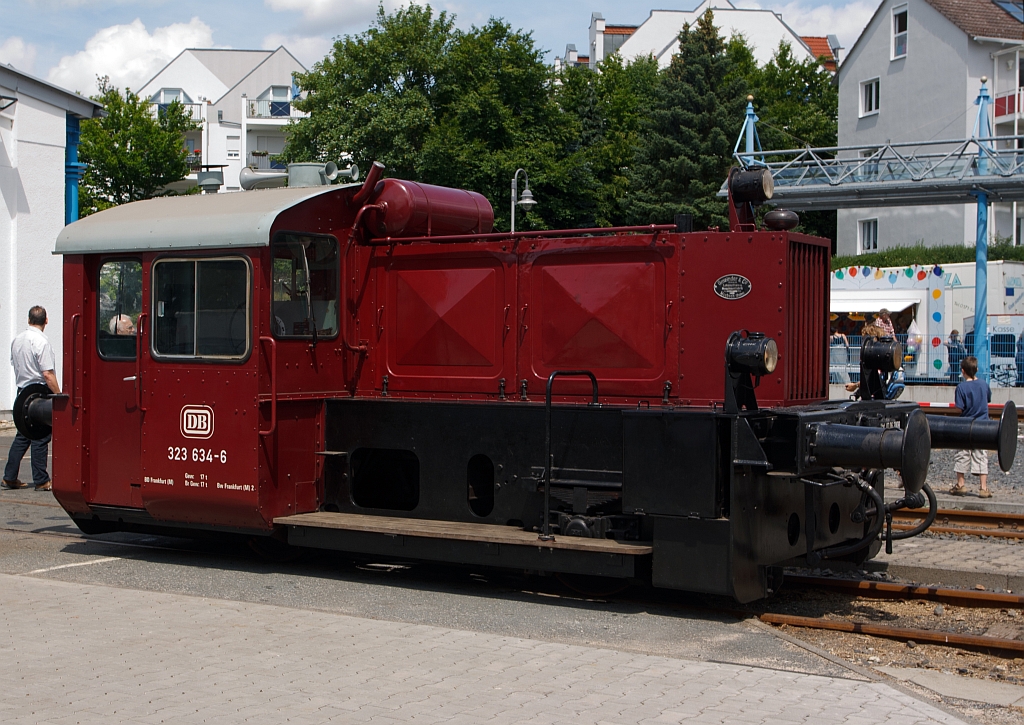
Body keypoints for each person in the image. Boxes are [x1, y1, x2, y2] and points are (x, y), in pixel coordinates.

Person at [3, 306, 60, 491]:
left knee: (23, 435)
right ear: (46, 320)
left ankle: (10, 476)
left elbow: (15, 365)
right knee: (40, 435)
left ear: (28, 320)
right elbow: (47, 374)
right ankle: (41, 479)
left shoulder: (17, 340)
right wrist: (58, 395)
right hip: (38, 391)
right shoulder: (41, 342)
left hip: (22, 390)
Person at [950, 355, 992, 498]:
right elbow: (988, 399)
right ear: (976, 369)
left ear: (963, 371)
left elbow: (960, 408)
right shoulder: (983, 384)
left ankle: (961, 485)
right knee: (981, 455)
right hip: (982, 425)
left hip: (965, 425)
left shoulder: (961, 387)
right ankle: (983, 488)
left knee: (962, 454)